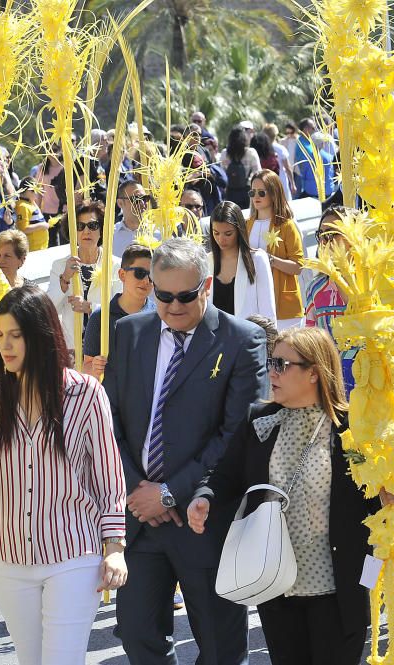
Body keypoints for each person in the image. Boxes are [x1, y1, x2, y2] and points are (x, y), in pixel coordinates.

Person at [103, 237, 266, 665]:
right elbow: (109, 421)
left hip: (203, 518)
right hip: (140, 520)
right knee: (139, 637)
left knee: (219, 647)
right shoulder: (129, 333)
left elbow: (237, 435)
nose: (174, 306)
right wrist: (140, 489)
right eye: (163, 295)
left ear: (207, 285)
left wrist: (170, 491)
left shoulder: (240, 341)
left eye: (185, 296)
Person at [187, 326, 385, 665]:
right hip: (277, 583)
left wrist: (391, 495)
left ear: (313, 372)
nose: (272, 372)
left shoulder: (353, 426)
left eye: (283, 364)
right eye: (271, 362)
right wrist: (204, 497)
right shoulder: (260, 420)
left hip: (341, 586)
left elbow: (377, 499)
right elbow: (225, 474)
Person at [0, 285, 128, 665]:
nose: (6, 345)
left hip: (72, 554)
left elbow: (108, 477)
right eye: (0, 335)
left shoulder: (85, 394)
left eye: (16, 335)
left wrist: (115, 548)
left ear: (41, 335)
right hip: (8, 559)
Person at [48, 200, 122, 352]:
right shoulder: (60, 265)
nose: (86, 231)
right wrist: (64, 279)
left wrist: (91, 307)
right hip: (72, 350)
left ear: (102, 230)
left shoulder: (115, 265)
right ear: (73, 231)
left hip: (105, 348)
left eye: (93, 226)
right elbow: (48, 309)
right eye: (80, 227)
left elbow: (120, 309)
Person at [83, 243, 156, 380]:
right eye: (140, 273)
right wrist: (94, 367)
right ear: (122, 274)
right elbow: (86, 366)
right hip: (111, 399)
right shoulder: (100, 317)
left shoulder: (158, 316)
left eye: (152, 275)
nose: (146, 281)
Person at [305, 207, 358, 395]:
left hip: (367, 385)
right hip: (330, 385)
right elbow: (311, 340)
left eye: (333, 234)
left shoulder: (370, 284)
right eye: (321, 234)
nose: (325, 241)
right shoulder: (315, 288)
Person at [246, 170, 305, 329]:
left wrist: (269, 260)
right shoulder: (247, 224)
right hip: (254, 301)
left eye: (262, 192)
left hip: (283, 306)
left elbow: (298, 267)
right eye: (252, 192)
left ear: (274, 194)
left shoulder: (287, 226)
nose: (255, 196)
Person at [209, 200, 276, 323]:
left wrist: (270, 340)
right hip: (214, 339)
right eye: (216, 233)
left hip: (248, 338)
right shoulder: (207, 261)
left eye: (228, 234)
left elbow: (268, 310)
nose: (221, 239)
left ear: (239, 230)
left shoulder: (257, 259)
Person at [114, 180, 159, 256]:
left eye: (145, 198)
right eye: (136, 199)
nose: (142, 203)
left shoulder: (160, 233)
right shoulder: (110, 236)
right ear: (120, 203)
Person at [221, 127, 257, 208]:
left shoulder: (224, 153)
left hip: (230, 191)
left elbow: (221, 173)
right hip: (246, 191)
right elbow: (257, 172)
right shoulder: (251, 152)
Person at [11, 178, 50, 252]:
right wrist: (42, 225)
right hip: (33, 247)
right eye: (34, 191)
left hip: (39, 247)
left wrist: (33, 201)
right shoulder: (23, 206)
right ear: (26, 190)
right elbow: (23, 229)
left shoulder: (30, 204)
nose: (36, 194)